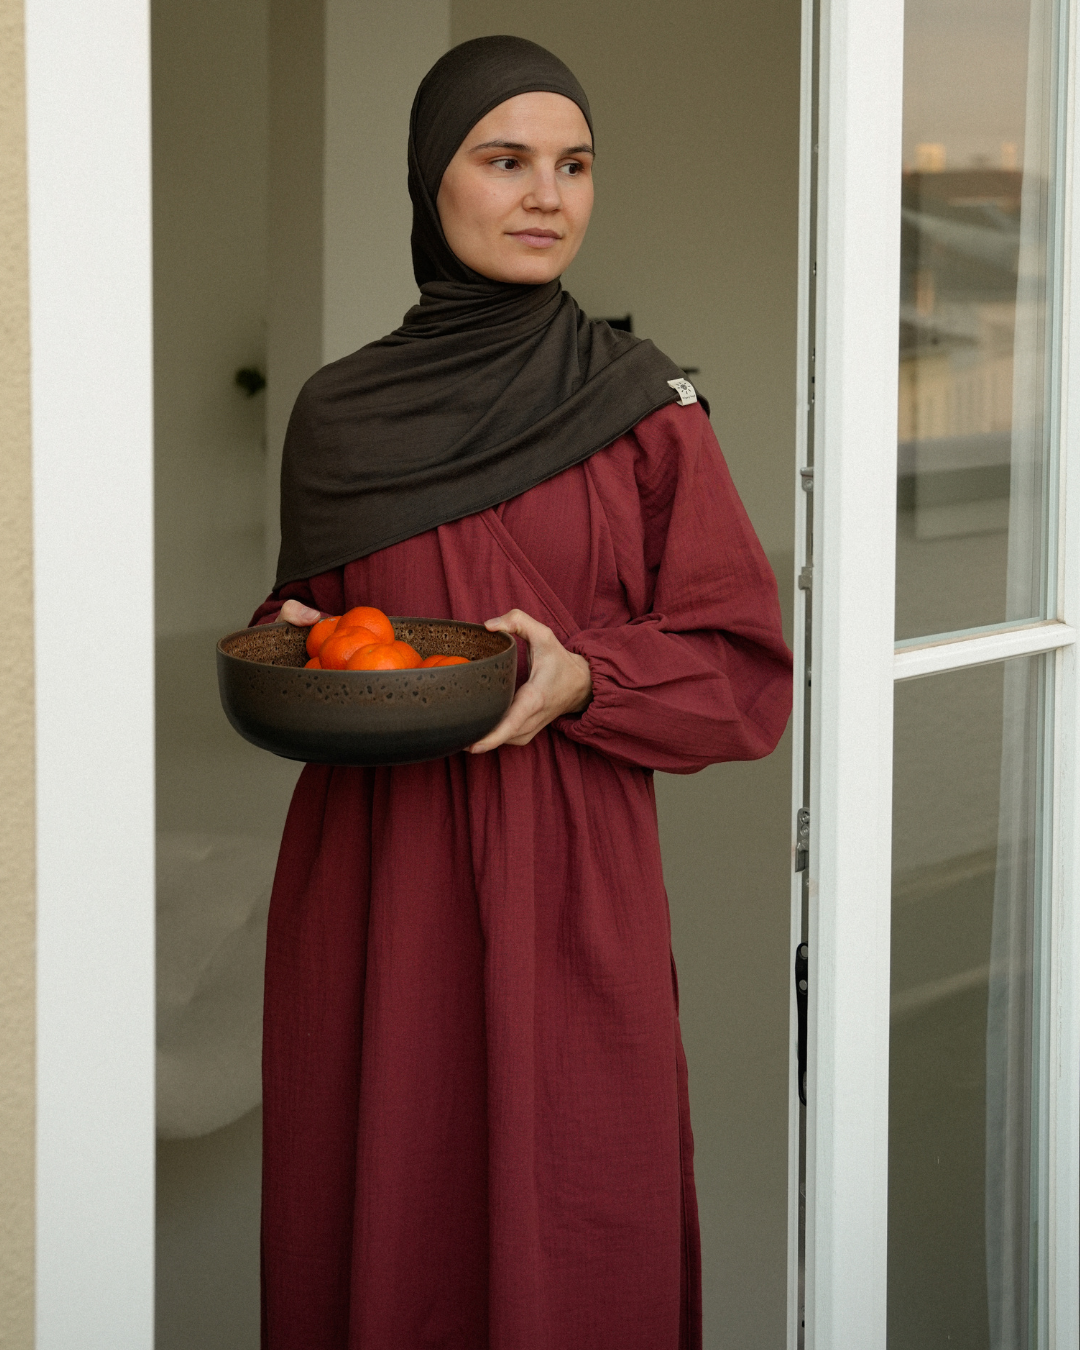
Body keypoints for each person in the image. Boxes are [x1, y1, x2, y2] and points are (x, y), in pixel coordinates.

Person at [252, 35, 792, 1350]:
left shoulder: (647, 408)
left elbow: (742, 673)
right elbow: (308, 616)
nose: (548, 195)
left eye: (575, 165)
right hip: (379, 881)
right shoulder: (339, 414)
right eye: (506, 161)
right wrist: (295, 639)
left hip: (572, 883)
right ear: (433, 182)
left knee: (579, 1214)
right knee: (387, 1212)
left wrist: (584, 678)